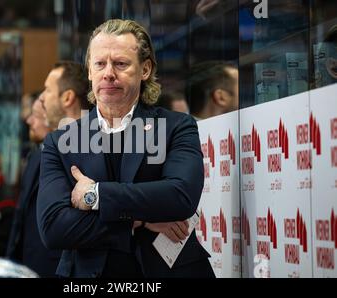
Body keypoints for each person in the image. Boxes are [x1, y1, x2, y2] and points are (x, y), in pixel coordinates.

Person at [37, 19, 214, 278]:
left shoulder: (176, 126)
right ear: (89, 71)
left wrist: (95, 195)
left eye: (120, 63)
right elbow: (54, 229)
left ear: (144, 69)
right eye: (100, 64)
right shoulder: (60, 141)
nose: (109, 72)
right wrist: (138, 219)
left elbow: (180, 197)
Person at [7, 61, 90, 277]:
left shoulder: (99, 150)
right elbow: (22, 223)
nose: (42, 97)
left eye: (48, 89)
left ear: (67, 97)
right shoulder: (38, 154)